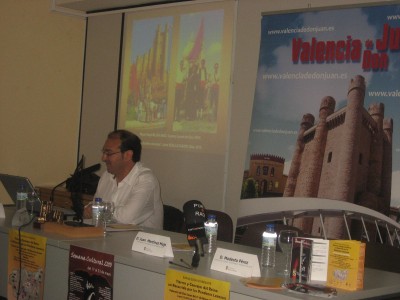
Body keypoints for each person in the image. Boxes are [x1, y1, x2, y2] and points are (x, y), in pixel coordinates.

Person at [84, 129, 163, 229]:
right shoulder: (106, 176)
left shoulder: (146, 180)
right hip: (107, 239)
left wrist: (98, 209)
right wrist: (88, 210)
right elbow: (96, 206)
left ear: (127, 155)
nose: (103, 158)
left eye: (109, 153)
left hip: (140, 243)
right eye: (103, 152)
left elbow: (126, 219)